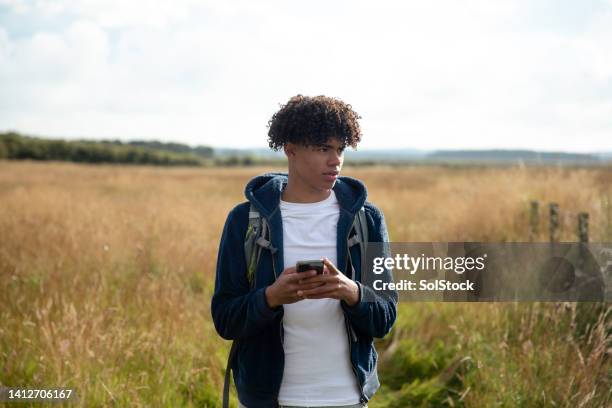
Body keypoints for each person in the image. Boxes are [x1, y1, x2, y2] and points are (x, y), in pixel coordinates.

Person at [211, 95, 397, 408]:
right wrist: (270, 298)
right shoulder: (244, 221)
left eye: (340, 149)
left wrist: (350, 291)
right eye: (324, 148)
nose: (335, 160)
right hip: (268, 400)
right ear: (291, 149)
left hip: (346, 399)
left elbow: (385, 318)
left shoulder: (366, 219)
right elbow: (225, 320)